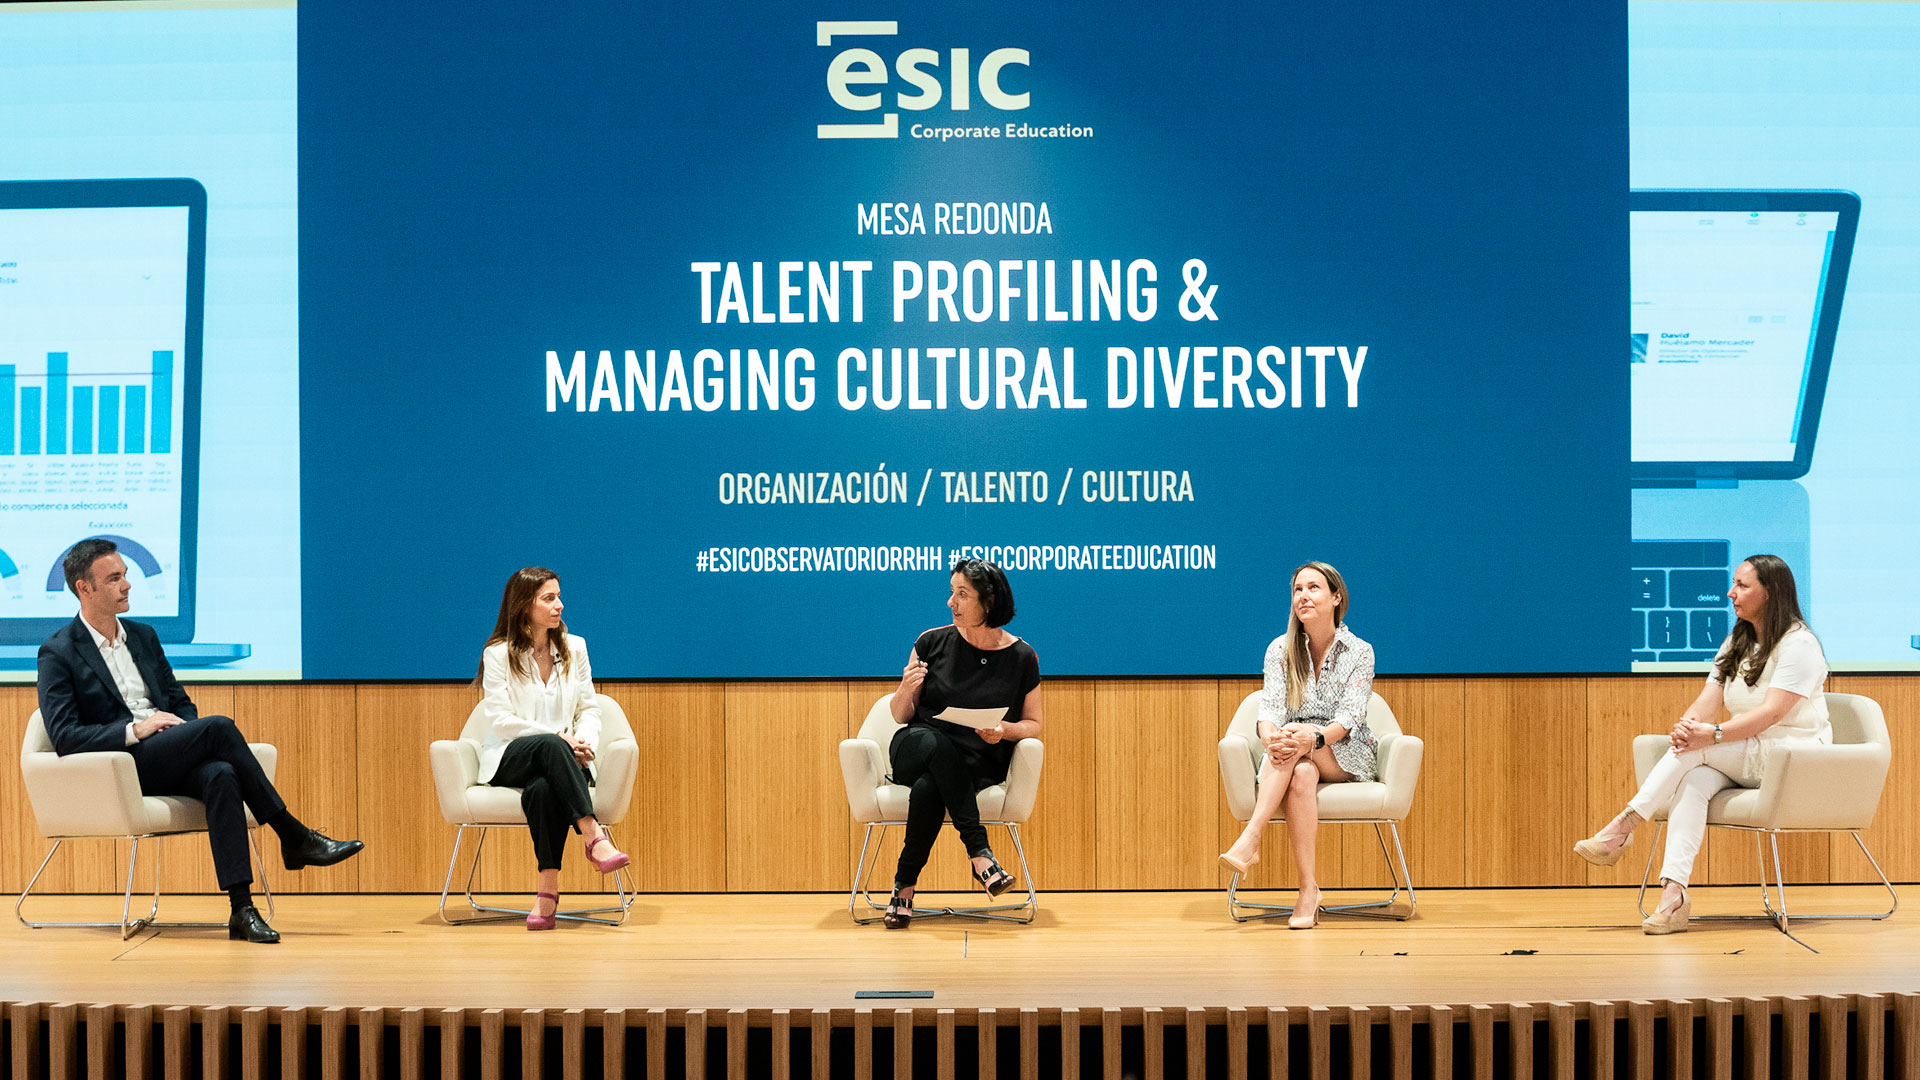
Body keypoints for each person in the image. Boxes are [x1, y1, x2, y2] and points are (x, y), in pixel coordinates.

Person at [35, 538, 364, 943]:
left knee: (221, 773)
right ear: (84, 588)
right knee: (219, 727)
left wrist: (180, 731)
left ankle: (242, 910)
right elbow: (65, 735)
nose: (127, 585)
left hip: (167, 752)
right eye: (114, 578)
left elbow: (180, 703)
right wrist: (136, 730)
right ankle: (292, 835)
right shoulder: (58, 652)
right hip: (123, 766)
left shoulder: (143, 636)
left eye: (126, 575)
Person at [1575, 554, 1830, 934]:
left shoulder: (1799, 644)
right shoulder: (1737, 641)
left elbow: (1772, 713)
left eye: (1742, 585)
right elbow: (1708, 702)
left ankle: (1624, 825)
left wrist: (1710, 735)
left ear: (1771, 591)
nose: (1730, 593)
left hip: (1793, 756)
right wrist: (1688, 727)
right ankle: (1672, 898)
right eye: (1733, 583)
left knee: (1698, 748)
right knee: (1693, 782)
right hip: (1749, 752)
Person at [881, 559, 1043, 929]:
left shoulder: (1022, 657)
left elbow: (1034, 725)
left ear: (989, 601)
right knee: (937, 748)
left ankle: (903, 886)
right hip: (915, 747)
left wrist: (1003, 730)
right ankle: (980, 853)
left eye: (962, 594)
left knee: (929, 789)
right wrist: (905, 689)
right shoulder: (930, 642)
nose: (951, 602)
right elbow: (901, 715)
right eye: (952, 592)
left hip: (973, 761)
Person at [1218, 561, 1377, 930]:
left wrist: (1313, 737)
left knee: (1297, 734)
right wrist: (1269, 737)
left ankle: (1251, 837)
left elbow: (1350, 717)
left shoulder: (1360, 651)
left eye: (1313, 587)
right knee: (1302, 772)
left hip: (1343, 750)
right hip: (1294, 752)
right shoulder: (1280, 648)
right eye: (1297, 590)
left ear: (1336, 597)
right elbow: (1269, 708)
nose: (1303, 595)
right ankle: (1308, 890)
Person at [474, 566, 629, 930]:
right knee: (549, 743)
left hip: (562, 759)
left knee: (543, 790)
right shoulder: (498, 654)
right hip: (511, 755)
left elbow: (588, 708)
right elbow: (501, 720)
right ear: (524, 605)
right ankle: (593, 836)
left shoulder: (575, 647)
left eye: (559, 597)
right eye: (549, 598)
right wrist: (560, 738)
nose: (560, 605)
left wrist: (583, 742)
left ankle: (547, 892)